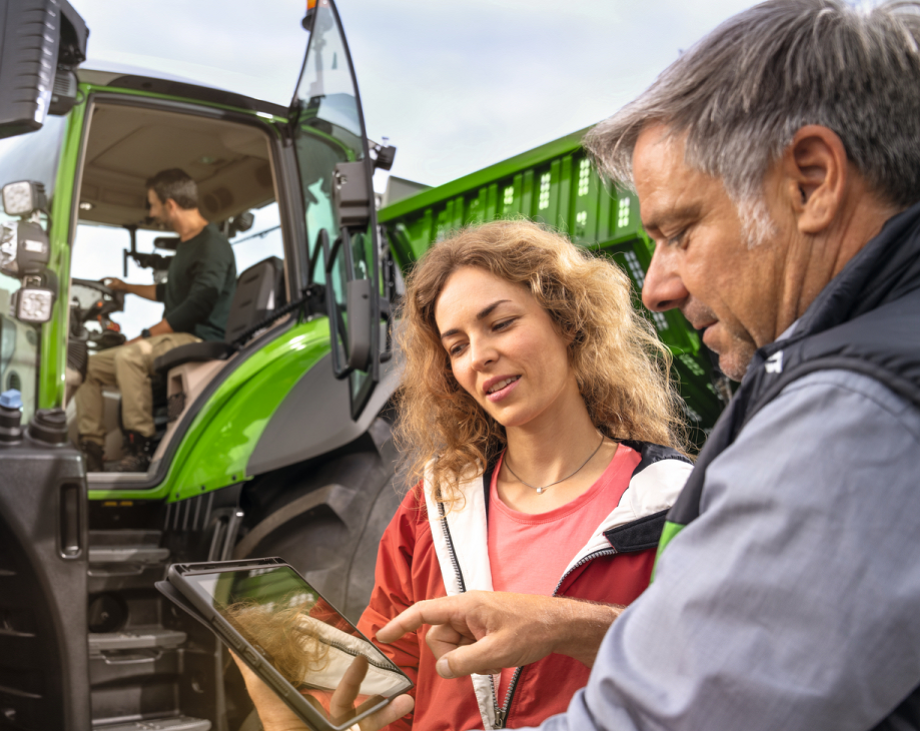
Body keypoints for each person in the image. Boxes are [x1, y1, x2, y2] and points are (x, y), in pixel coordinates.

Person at [370, 0, 920, 729]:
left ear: (812, 181)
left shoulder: (860, 414)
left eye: (681, 231)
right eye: (454, 344)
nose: (656, 285)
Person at [239, 220, 694, 730]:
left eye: (499, 324)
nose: (479, 356)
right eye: (456, 347)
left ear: (566, 320)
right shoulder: (429, 509)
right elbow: (397, 684)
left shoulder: (672, 500)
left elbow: (711, 668)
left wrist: (568, 627)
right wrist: (353, 713)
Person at [75, 168, 236, 471]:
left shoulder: (212, 245)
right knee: (89, 366)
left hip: (200, 338)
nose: (152, 213)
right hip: (174, 338)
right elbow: (167, 291)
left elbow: (198, 304)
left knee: (129, 356)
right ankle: (91, 450)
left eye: (153, 205)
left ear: (170, 204)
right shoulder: (187, 245)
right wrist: (126, 287)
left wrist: (146, 335)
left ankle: (141, 447)